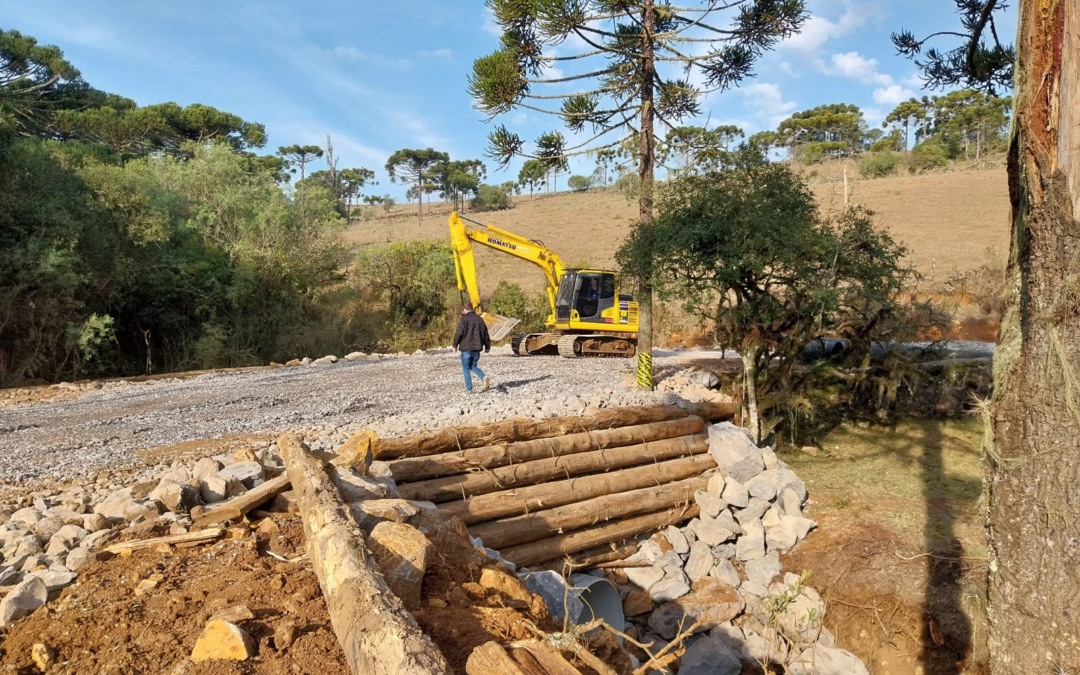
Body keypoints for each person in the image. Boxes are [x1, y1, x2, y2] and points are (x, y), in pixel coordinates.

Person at [453, 303, 491, 393]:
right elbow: (485, 333)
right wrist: (487, 346)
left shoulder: (464, 319)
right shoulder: (480, 319)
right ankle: (483, 376)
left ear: (465, 309)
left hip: (466, 348)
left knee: (466, 368)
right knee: (473, 366)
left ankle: (469, 389)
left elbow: (459, 333)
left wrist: (455, 345)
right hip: (477, 348)